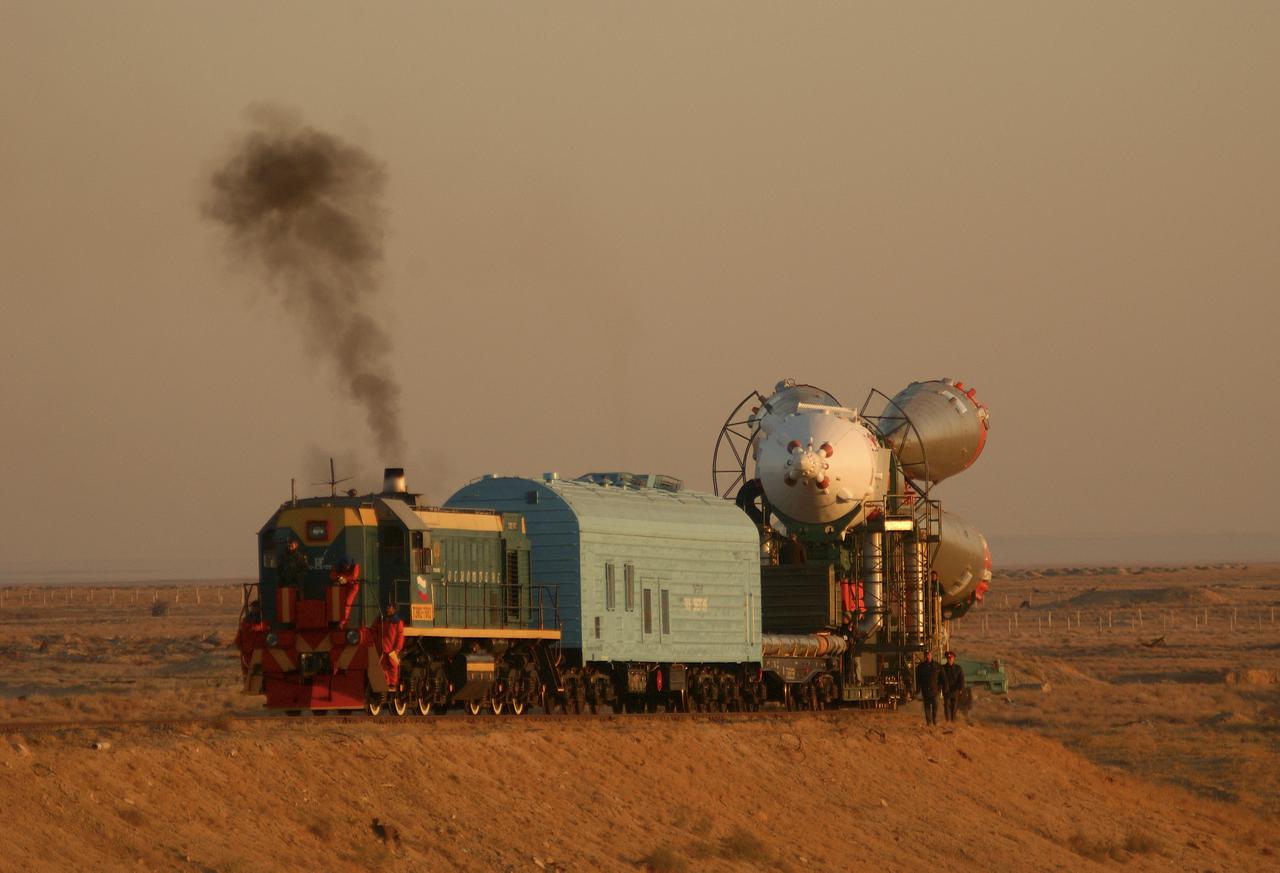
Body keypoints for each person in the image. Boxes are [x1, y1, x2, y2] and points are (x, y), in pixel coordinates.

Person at [372, 601, 405, 694]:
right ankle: (385, 683)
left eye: (390, 607)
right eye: (387, 606)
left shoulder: (398, 622)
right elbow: (373, 631)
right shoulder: (379, 620)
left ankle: (392, 684)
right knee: (382, 667)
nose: (387, 608)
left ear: (394, 609)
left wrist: (397, 648)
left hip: (391, 649)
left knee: (393, 666)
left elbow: (400, 636)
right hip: (381, 648)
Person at [232, 600, 266, 677]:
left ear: (259, 608)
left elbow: (264, 627)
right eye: (252, 607)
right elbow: (240, 635)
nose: (253, 609)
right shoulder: (246, 620)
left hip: (258, 653)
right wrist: (238, 644)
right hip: (247, 653)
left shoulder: (263, 620)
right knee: (247, 673)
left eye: (255, 607)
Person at [329, 557, 361, 627]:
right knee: (338, 603)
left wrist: (345, 579)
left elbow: (354, 577)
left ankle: (342, 623)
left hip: (353, 587)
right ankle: (334, 622)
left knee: (347, 603)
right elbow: (332, 575)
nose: (347, 567)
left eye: (348, 566)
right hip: (342, 587)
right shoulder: (337, 566)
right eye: (345, 566)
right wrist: (338, 578)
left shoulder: (355, 566)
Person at [915, 650, 942, 726]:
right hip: (925, 690)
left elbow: (942, 678)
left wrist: (940, 688)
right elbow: (918, 679)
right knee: (927, 707)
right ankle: (929, 722)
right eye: (927, 655)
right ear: (925, 656)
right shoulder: (921, 667)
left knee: (935, 706)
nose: (928, 656)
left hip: (935, 690)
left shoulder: (937, 666)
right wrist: (918, 689)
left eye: (929, 655)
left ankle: (934, 720)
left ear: (931, 655)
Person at [940, 651, 966, 723]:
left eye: (951, 658)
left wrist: (961, 688)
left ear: (953, 658)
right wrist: (940, 688)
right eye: (948, 658)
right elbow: (939, 679)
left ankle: (953, 720)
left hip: (955, 690)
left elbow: (961, 679)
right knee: (946, 705)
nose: (950, 659)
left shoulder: (958, 668)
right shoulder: (943, 668)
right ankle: (947, 720)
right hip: (946, 690)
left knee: (954, 707)